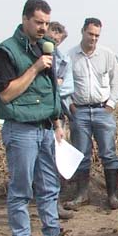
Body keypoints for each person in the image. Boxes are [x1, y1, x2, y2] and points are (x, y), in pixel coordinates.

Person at [0, 0, 85, 236]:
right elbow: (6, 94)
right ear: (25, 20)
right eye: (38, 22)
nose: (43, 28)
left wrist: (57, 123)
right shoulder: (6, 53)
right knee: (21, 191)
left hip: (44, 129)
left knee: (49, 186)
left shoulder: (42, 49)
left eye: (46, 23)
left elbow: (50, 91)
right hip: (21, 131)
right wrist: (34, 68)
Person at [64, 18, 118, 211]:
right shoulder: (70, 56)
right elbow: (63, 86)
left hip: (102, 111)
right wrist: (70, 106)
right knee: (81, 154)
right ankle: (82, 194)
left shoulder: (107, 55)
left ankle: (112, 195)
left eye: (97, 35)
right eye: (90, 34)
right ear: (82, 31)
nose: (93, 38)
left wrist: (111, 106)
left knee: (109, 153)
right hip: (79, 112)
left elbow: (117, 83)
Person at [46, 21, 74, 220]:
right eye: (52, 38)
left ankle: (53, 205)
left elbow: (67, 88)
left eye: (58, 41)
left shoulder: (63, 60)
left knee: (55, 162)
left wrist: (54, 86)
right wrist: (54, 84)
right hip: (34, 117)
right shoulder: (32, 55)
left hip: (57, 116)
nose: (55, 43)